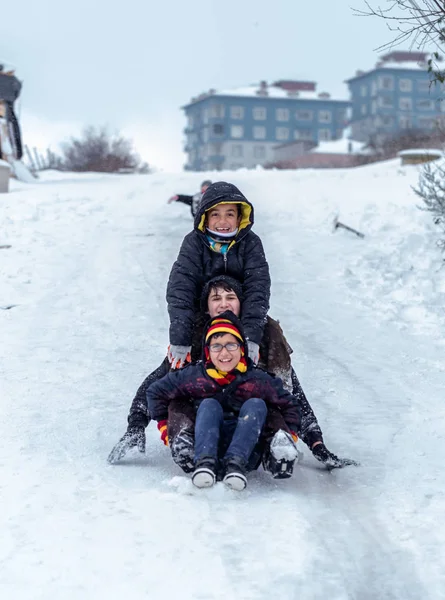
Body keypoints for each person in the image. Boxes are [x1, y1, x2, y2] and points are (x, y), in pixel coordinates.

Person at [107, 275, 358, 471]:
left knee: (264, 400)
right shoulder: (196, 335)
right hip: (202, 418)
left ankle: (276, 449)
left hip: (249, 421)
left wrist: (316, 443)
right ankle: (185, 445)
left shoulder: (263, 335)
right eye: (216, 299)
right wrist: (135, 426)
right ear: (206, 305)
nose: (224, 304)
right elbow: (157, 383)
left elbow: (291, 392)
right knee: (179, 397)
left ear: (242, 303)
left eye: (231, 297)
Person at [147, 311, 302, 490]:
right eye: (216, 346)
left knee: (257, 404)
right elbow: (156, 392)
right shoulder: (195, 376)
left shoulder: (258, 379)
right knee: (208, 404)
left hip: (247, 451)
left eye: (231, 345)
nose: (224, 352)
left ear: (242, 349)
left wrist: (288, 436)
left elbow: (291, 405)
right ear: (207, 352)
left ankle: (236, 465)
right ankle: (205, 464)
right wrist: (166, 429)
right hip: (202, 447)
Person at [166, 181, 270, 371]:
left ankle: (281, 387)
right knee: (179, 361)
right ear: (205, 217)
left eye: (229, 214)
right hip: (204, 313)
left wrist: (251, 337)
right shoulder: (193, 243)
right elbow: (181, 288)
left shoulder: (251, 243)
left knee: (272, 337)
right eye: (216, 214)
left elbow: (258, 287)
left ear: (239, 218)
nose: (223, 222)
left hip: (242, 312)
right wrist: (180, 338)